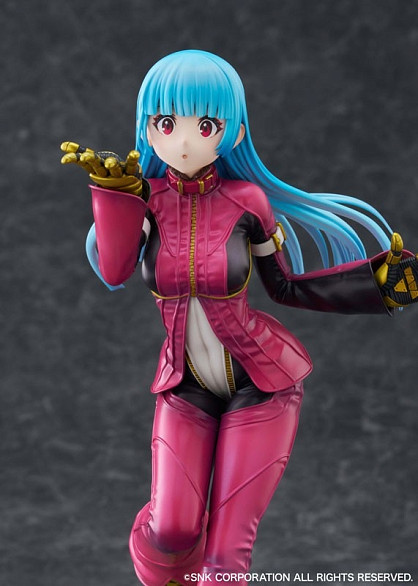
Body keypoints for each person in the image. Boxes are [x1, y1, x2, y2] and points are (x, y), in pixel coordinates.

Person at [60, 49, 418, 586]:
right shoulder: (146, 203)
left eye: (205, 125)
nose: (185, 141)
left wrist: (375, 286)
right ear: (147, 129)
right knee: (170, 532)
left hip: (263, 382)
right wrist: (114, 198)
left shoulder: (247, 202)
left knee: (226, 559)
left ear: (234, 132)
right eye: (166, 123)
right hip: (185, 385)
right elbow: (114, 271)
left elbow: (285, 286)